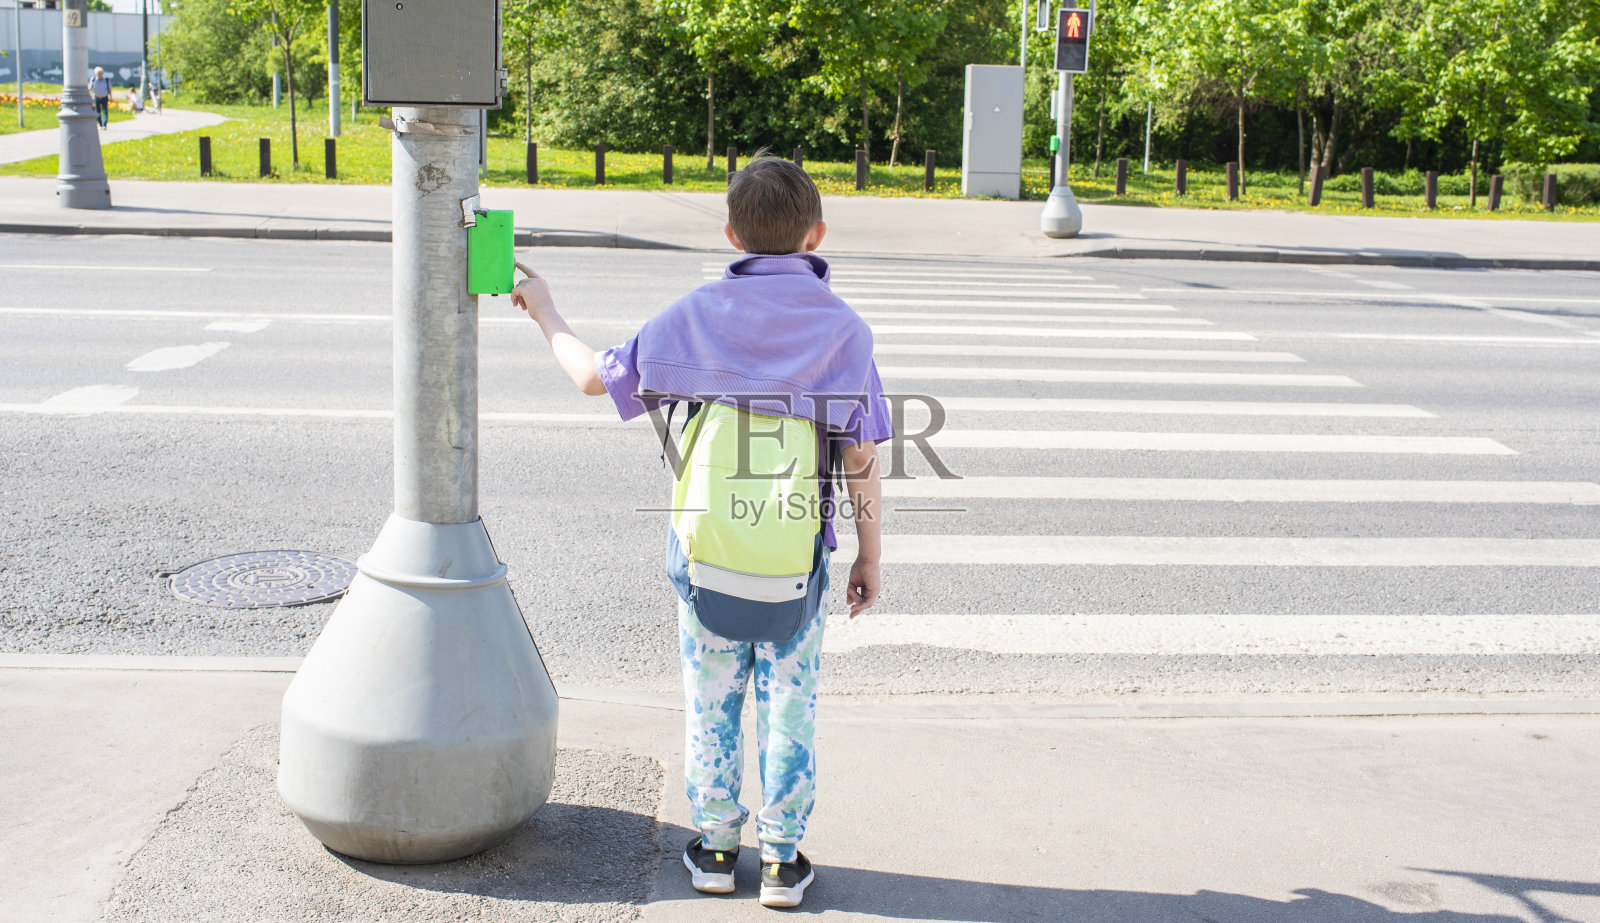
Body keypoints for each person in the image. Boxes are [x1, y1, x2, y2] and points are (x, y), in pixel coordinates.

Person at [512, 154, 891, 909]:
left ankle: (716, 847)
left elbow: (593, 378)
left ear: (731, 235)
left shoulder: (699, 313)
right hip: (797, 564)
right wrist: (869, 556)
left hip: (705, 558)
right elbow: (860, 458)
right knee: (789, 708)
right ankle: (780, 861)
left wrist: (545, 307)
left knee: (711, 701)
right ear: (816, 235)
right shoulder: (845, 332)